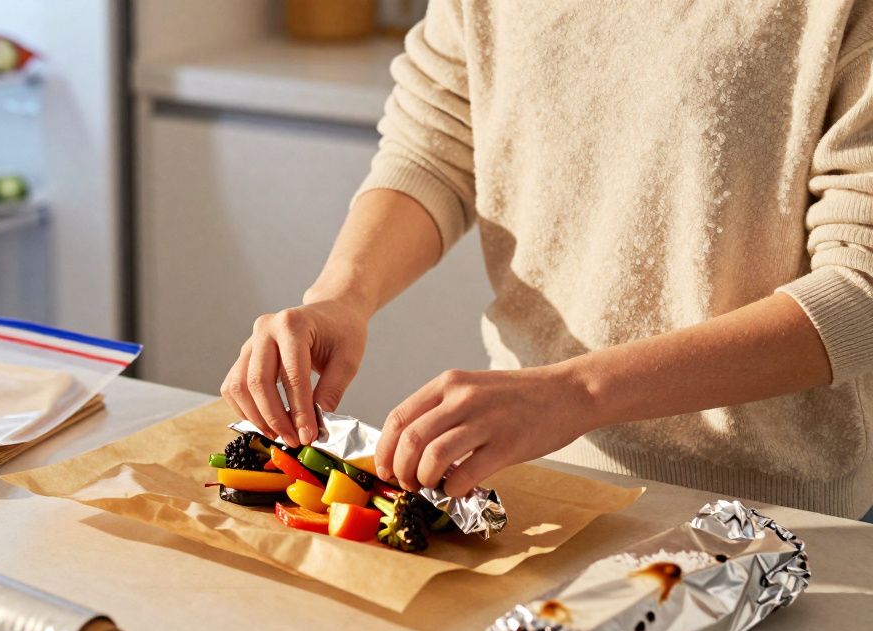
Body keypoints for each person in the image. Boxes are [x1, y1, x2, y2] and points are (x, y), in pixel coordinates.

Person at [221, 2, 873, 519]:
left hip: (777, 520)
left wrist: (578, 393)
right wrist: (341, 295)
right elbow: (438, 144)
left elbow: (859, 291)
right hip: (527, 478)